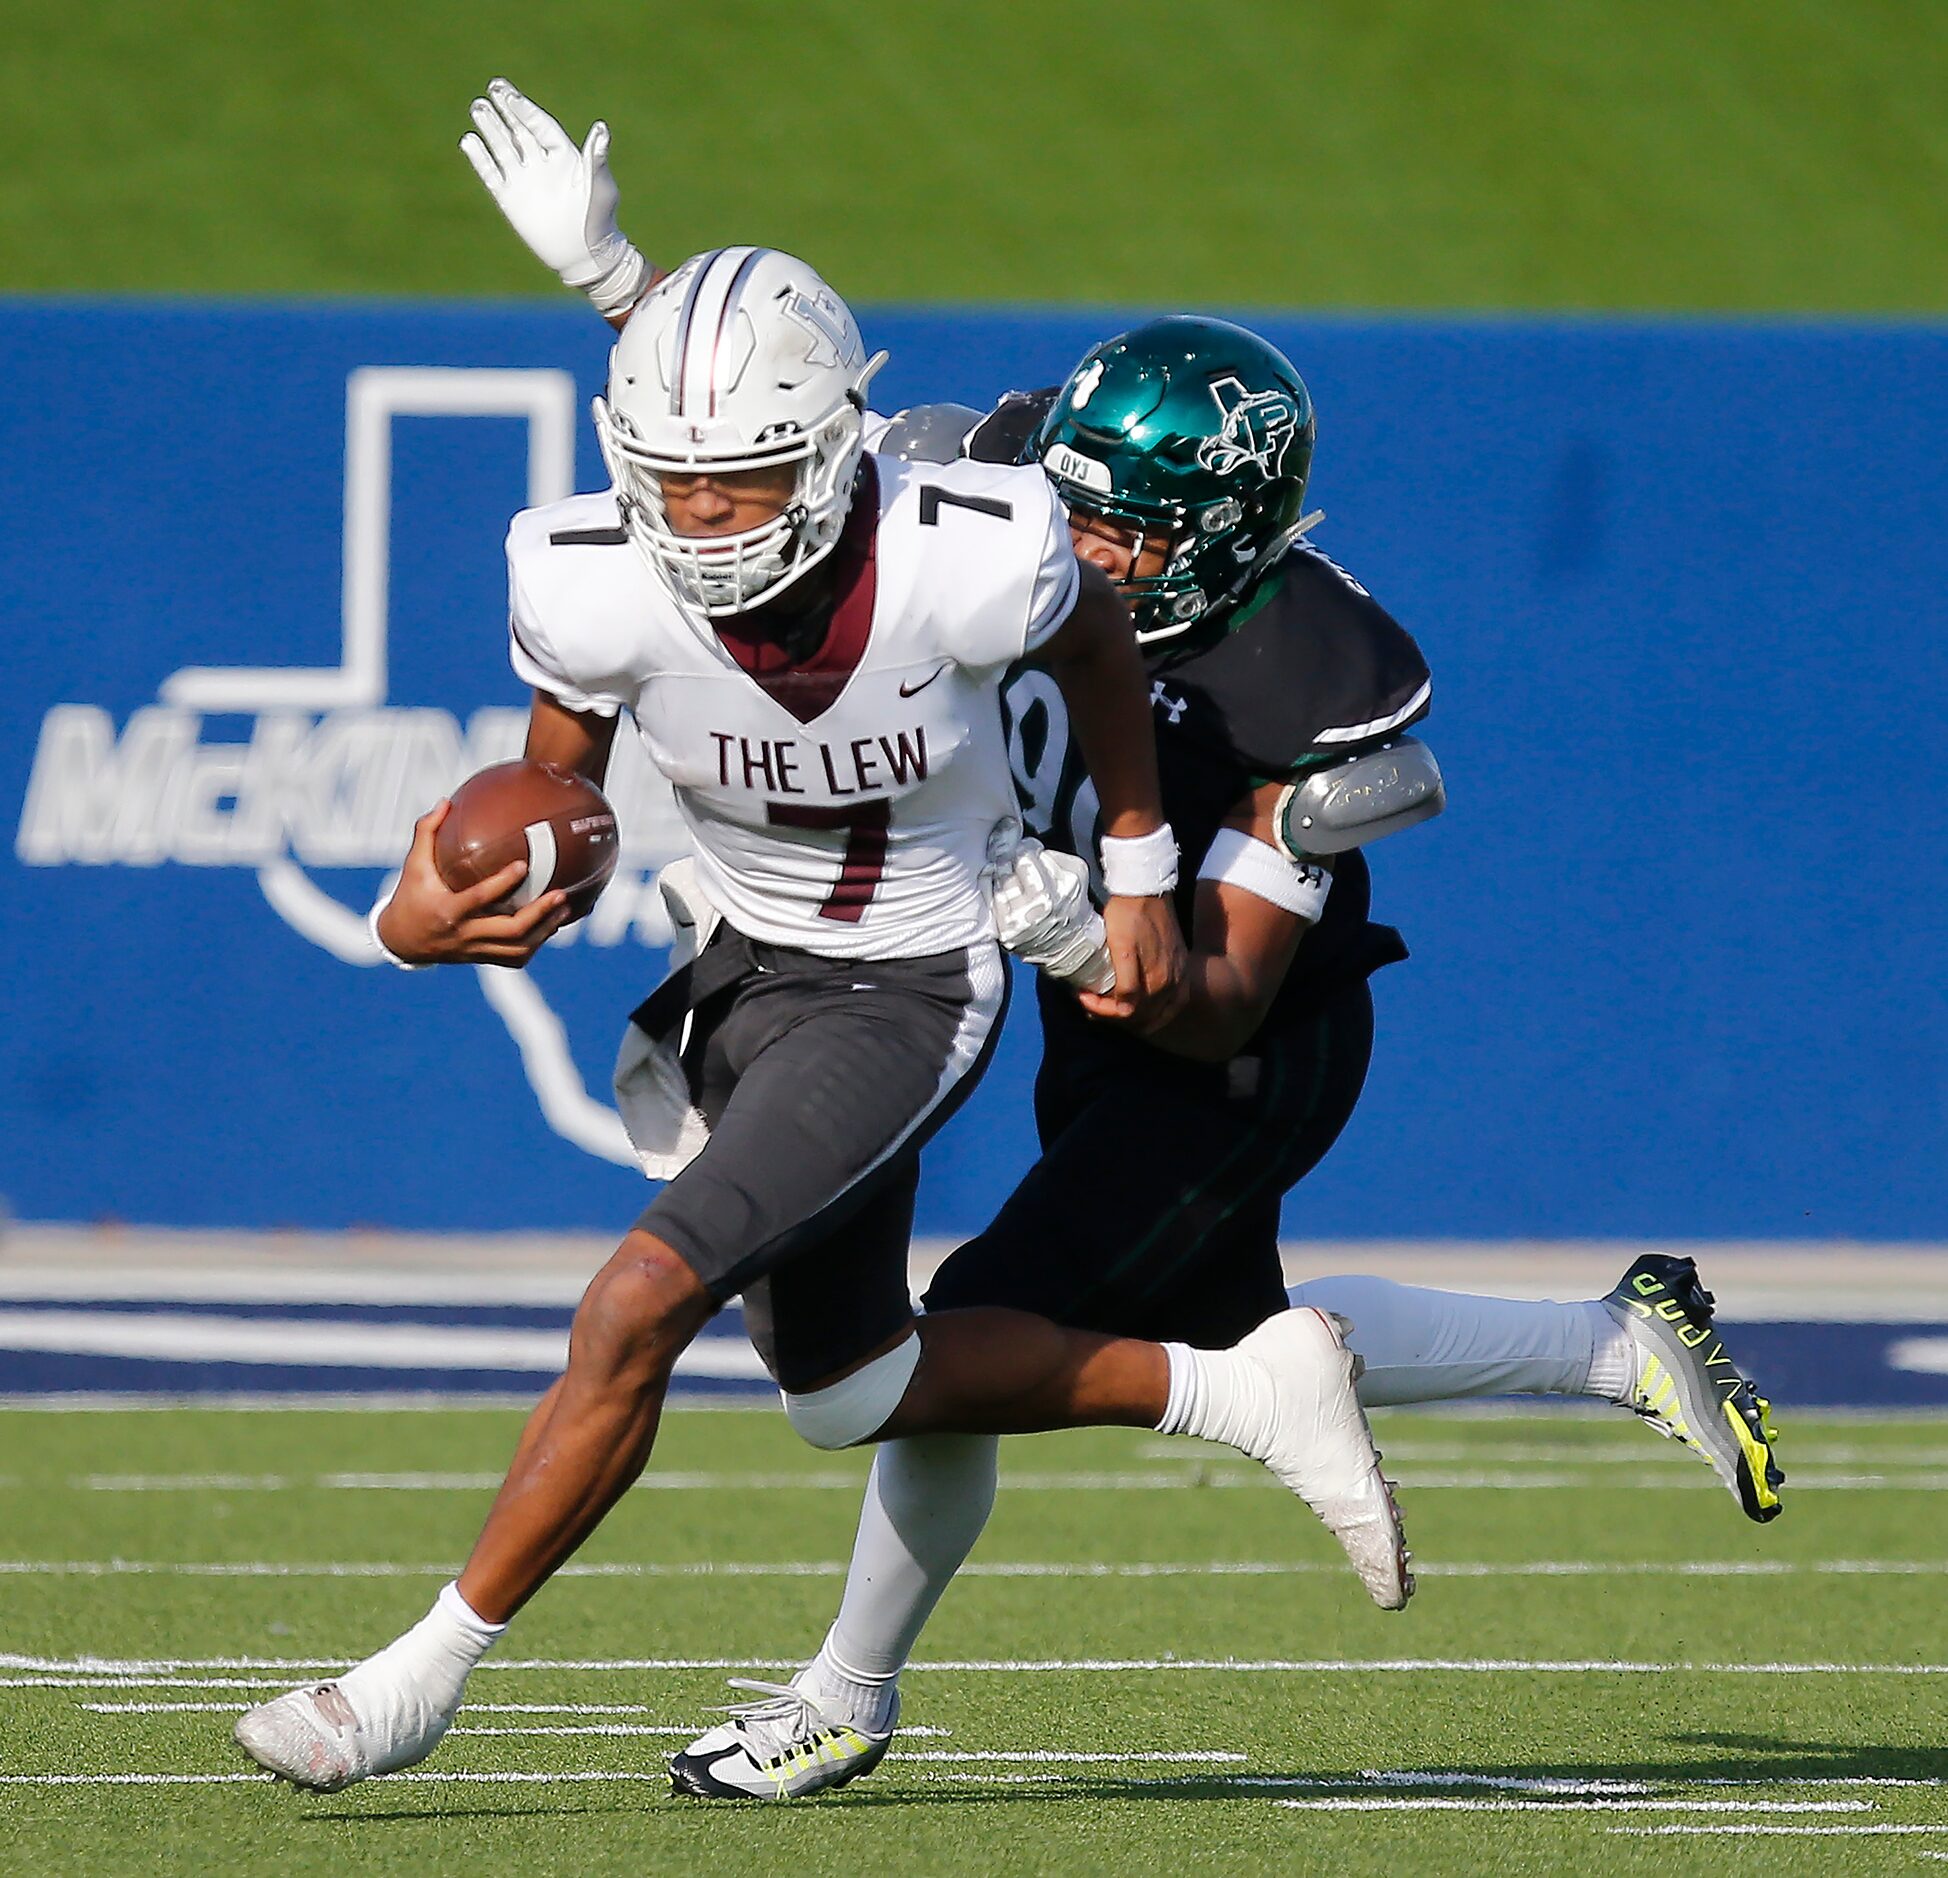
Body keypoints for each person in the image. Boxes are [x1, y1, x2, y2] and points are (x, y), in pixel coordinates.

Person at [457, 82, 1785, 1801]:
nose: (1074, 550)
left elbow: (1212, 987)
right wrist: (622, 283)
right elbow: (783, 461)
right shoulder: (1008, 490)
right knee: (1229, 1339)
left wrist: (1087, 926)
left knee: (961, 1342)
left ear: (1227, 541)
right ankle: (1621, 1341)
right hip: (1088, 992)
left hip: (1241, 1044)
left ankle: (843, 1695)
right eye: (1066, 508)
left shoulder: (1309, 687)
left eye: (1124, 535)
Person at [231, 239, 1415, 1796]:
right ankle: (1240, 1385)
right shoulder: (586, 567)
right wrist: (421, 915)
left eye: (739, 481)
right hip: (737, 964)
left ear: (826, 451)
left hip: (911, 987)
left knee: (633, 1304)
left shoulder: (965, 548)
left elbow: (1096, 649)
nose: (702, 517)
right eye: (671, 478)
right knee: (846, 1391)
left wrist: (1133, 872)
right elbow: (559, 803)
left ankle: (416, 1676)